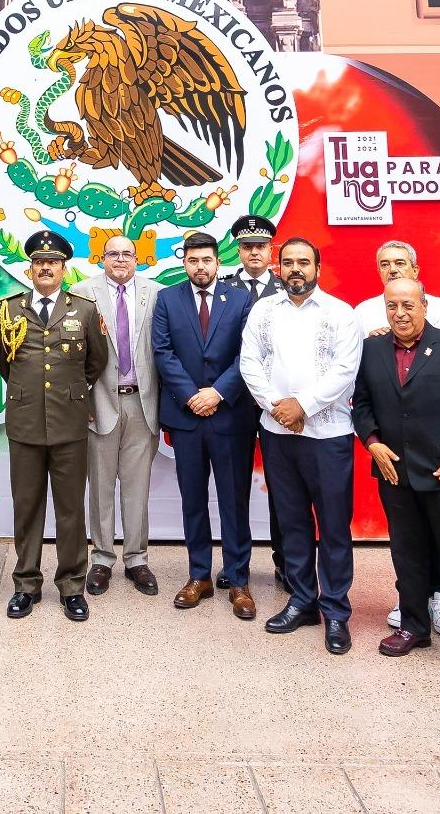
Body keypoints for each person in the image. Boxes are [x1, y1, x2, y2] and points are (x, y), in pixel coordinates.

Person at [352, 279, 440, 688]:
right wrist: (373, 443)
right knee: (407, 555)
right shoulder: (372, 350)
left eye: (408, 305)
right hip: (395, 474)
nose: (400, 313)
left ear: (424, 305)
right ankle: (413, 627)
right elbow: (361, 403)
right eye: (392, 305)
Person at [240, 237, 363, 655]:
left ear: (317, 268)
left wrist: (303, 407)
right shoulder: (263, 310)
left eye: (303, 263)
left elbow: (346, 370)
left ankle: (336, 611)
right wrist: (277, 408)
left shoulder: (340, 313)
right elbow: (249, 363)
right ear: (278, 268)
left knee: (332, 527)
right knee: (291, 522)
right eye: (288, 262)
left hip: (327, 435)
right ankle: (302, 601)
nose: (295, 269)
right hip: (277, 433)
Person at [0, 230, 108, 622]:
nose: (45, 267)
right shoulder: (8, 310)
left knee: (70, 509)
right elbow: (7, 365)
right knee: (27, 508)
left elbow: (96, 361)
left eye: (53, 262)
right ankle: (26, 584)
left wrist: (70, 393)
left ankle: (72, 586)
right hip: (24, 422)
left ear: (63, 268)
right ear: (30, 268)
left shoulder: (85, 310)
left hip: (70, 422)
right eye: (39, 262)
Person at [350, 240, 440, 638]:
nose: (392, 269)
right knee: (405, 528)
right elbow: (358, 380)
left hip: (438, 439)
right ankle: (410, 596)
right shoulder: (362, 313)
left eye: (399, 262)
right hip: (391, 440)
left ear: (416, 266)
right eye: (384, 264)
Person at [152, 230, 256, 617]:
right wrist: (193, 395)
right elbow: (163, 352)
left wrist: (218, 393)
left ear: (218, 262)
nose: (200, 267)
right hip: (186, 417)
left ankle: (239, 580)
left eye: (207, 260)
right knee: (193, 500)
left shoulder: (242, 300)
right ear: (184, 263)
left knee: (234, 501)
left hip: (230, 415)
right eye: (193, 261)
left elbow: (249, 354)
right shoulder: (167, 299)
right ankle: (199, 575)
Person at [74, 235, 163, 597]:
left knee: (136, 487)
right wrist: (80, 403)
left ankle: (137, 559)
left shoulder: (157, 293)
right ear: (102, 258)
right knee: (100, 486)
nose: (121, 259)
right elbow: (73, 353)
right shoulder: (82, 292)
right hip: (99, 405)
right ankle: (101, 558)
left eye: (127, 254)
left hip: (143, 403)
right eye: (113, 254)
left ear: (138, 258)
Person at [221, 214, 291, 594]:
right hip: (235, 404)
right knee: (235, 490)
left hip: (279, 405)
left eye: (260, 246)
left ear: (270, 249)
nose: (253, 253)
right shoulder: (223, 288)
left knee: (284, 489)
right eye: (246, 247)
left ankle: (286, 563)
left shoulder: (288, 289)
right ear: (238, 250)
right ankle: (237, 565)